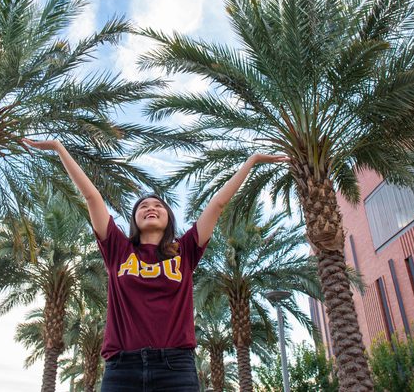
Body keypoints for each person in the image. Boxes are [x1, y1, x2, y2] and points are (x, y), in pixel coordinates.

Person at [22, 138, 287, 391]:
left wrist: (250, 162)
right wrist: (59, 148)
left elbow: (218, 204)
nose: (150, 208)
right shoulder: (117, 248)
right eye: (143, 206)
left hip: (176, 370)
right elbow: (92, 197)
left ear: (168, 217)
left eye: (158, 205)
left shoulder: (185, 250)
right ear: (134, 219)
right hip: (121, 368)